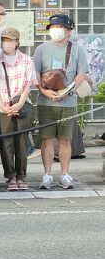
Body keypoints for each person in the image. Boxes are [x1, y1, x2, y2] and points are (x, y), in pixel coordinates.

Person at [33, 14, 91, 189]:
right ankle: (47, 174)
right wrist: (44, 91)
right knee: (47, 140)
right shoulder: (41, 49)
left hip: (68, 102)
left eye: (60, 28)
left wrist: (69, 90)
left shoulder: (77, 49)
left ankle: (64, 174)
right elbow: (35, 74)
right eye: (53, 28)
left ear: (68, 30)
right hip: (45, 102)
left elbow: (81, 74)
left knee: (65, 140)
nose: (55, 31)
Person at [0, 27, 37, 191]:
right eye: (4, 40)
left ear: (17, 42)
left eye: (10, 40)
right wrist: (3, 106)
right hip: (1, 106)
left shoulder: (26, 60)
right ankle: (10, 176)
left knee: (21, 142)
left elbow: (28, 86)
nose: (7, 43)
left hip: (22, 105)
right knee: (5, 143)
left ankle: (21, 176)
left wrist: (18, 104)